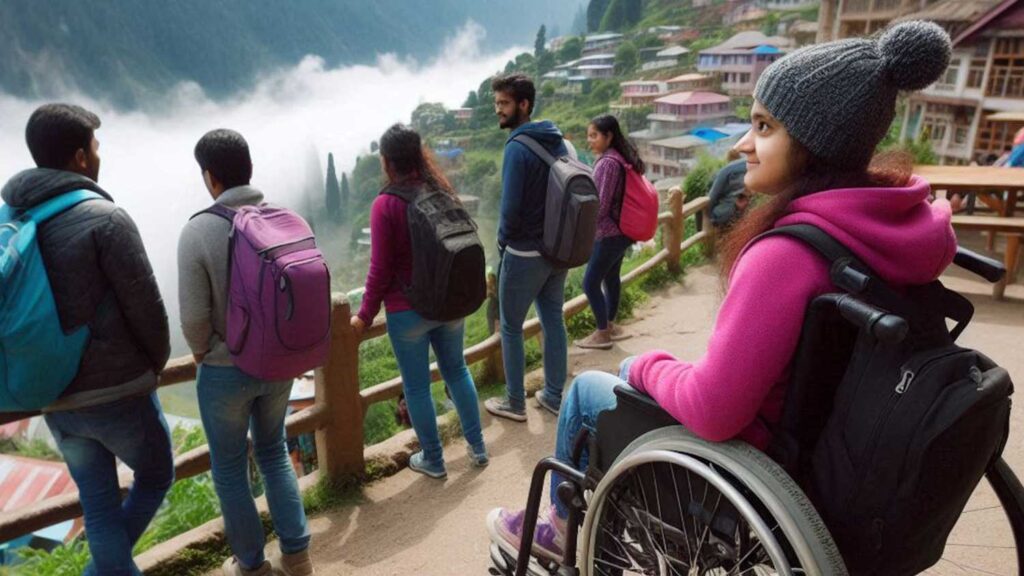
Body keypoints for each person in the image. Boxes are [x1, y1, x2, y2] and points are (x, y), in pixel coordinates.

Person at [487, 20, 956, 562]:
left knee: (591, 390)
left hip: (762, 463)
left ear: (814, 143)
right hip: (839, 451)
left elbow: (714, 410)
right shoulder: (900, 229)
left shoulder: (788, 254)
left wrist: (642, 367)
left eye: (763, 127)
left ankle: (559, 527)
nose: (743, 144)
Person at [2, 104, 173, 576]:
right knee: (157, 474)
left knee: (97, 505)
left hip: (52, 396)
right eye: (94, 147)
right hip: (118, 390)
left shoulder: (14, 220)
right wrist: (152, 366)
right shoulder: (106, 218)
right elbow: (148, 308)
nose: (99, 155)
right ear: (79, 157)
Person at [178, 129, 314, 576]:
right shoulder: (286, 219)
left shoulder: (198, 230)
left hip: (224, 369)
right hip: (279, 363)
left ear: (210, 177)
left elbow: (195, 319)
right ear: (249, 168)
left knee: (231, 470)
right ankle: (297, 555)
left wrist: (205, 354)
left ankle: (252, 565)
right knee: (274, 451)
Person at [350, 123, 488, 479]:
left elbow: (379, 270)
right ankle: (477, 448)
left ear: (386, 161)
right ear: (419, 154)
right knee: (457, 370)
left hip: (407, 311)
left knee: (415, 387)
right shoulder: (440, 191)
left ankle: (434, 460)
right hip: (450, 303)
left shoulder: (386, 204)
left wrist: (364, 316)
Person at [484, 73, 571, 420]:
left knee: (510, 326)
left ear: (524, 105)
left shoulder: (517, 148)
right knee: (553, 318)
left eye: (503, 104)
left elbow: (510, 210)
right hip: (557, 249)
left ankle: (515, 402)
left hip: (524, 253)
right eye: (496, 104)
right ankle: (552, 394)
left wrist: (502, 246)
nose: (498, 111)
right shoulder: (557, 140)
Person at [574, 114, 643, 350]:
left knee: (590, 283)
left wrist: (581, 226)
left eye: (594, 135)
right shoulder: (620, 158)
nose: (589, 140)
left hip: (607, 233)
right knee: (611, 278)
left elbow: (600, 206)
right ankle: (610, 326)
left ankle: (602, 332)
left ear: (608, 136)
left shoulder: (607, 163)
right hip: (621, 231)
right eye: (588, 136)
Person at [708, 149, 750, 228]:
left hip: (727, 214)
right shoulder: (748, 165)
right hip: (748, 209)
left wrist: (710, 216)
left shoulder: (726, 171)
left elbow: (712, 196)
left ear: (728, 158)